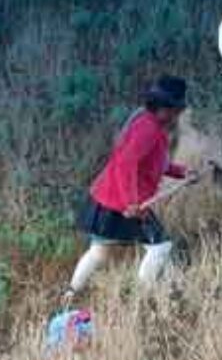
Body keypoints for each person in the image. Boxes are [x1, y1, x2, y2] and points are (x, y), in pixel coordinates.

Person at [66, 75, 211, 298]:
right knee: (160, 248)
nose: (177, 116)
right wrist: (131, 203)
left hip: (107, 198)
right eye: (175, 111)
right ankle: (144, 299)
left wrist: (182, 172)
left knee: (100, 251)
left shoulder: (148, 123)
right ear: (163, 108)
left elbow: (152, 164)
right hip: (123, 202)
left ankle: (70, 294)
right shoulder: (148, 129)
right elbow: (126, 164)